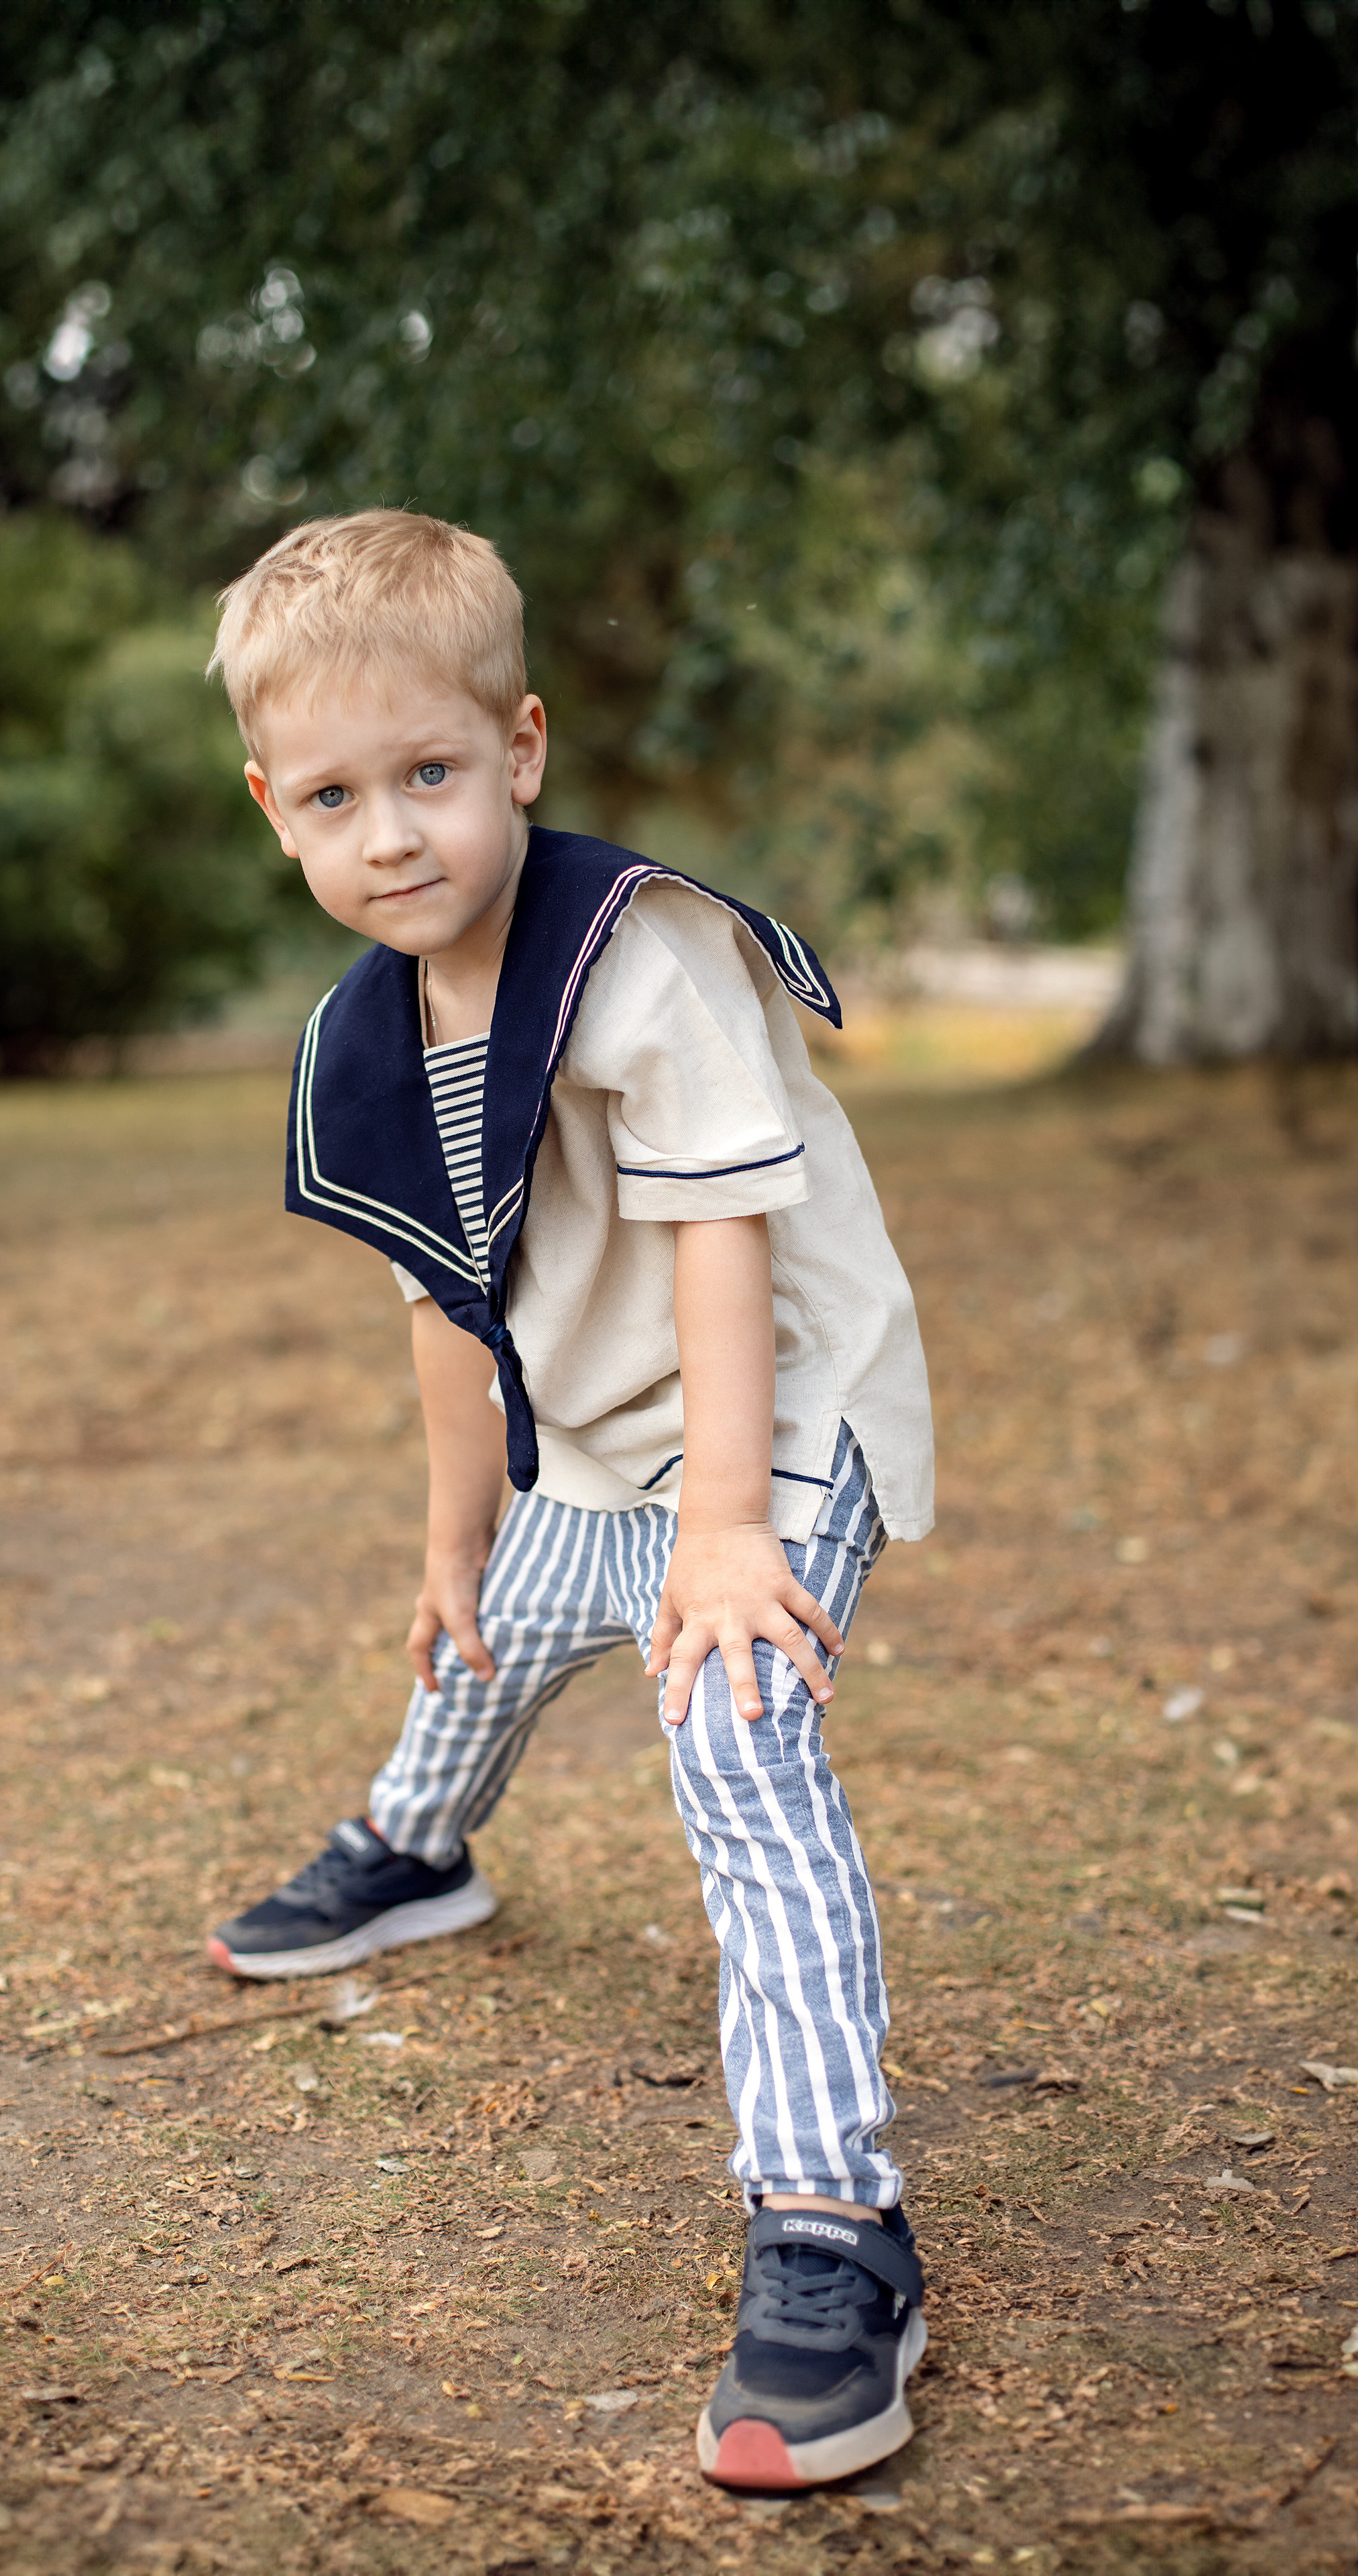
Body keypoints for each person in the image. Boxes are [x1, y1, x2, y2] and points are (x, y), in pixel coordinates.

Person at [205, 510, 936, 2492]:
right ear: (276, 810)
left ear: (519, 748)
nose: (394, 837)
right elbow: (458, 1315)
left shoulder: (643, 954)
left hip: (775, 1415)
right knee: (503, 1621)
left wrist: (724, 1536)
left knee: (733, 1730)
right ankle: (412, 1848)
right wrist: (458, 1534)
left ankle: (831, 2222)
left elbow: (722, 1254)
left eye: (431, 775)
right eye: (339, 798)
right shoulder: (363, 1042)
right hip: (611, 1435)